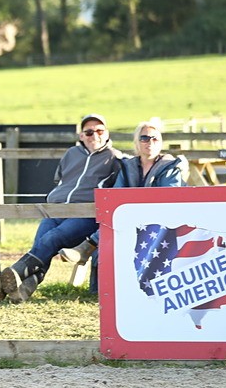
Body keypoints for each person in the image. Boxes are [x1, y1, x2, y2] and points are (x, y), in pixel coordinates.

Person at [0, 114, 124, 303]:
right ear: (81, 136)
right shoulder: (71, 154)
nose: (95, 135)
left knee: (51, 239)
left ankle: (11, 277)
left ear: (107, 134)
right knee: (40, 243)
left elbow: (119, 189)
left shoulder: (115, 159)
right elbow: (60, 180)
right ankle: (21, 290)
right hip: (57, 210)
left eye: (100, 131)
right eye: (89, 132)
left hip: (86, 215)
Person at [58, 119, 187, 292]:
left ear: (161, 142)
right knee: (109, 233)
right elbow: (117, 196)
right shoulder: (127, 167)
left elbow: (166, 200)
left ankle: (87, 246)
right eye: (144, 138)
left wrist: (132, 207)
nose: (150, 142)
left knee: (117, 223)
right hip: (128, 222)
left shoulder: (170, 167)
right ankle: (100, 291)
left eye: (155, 138)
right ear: (137, 142)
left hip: (159, 223)